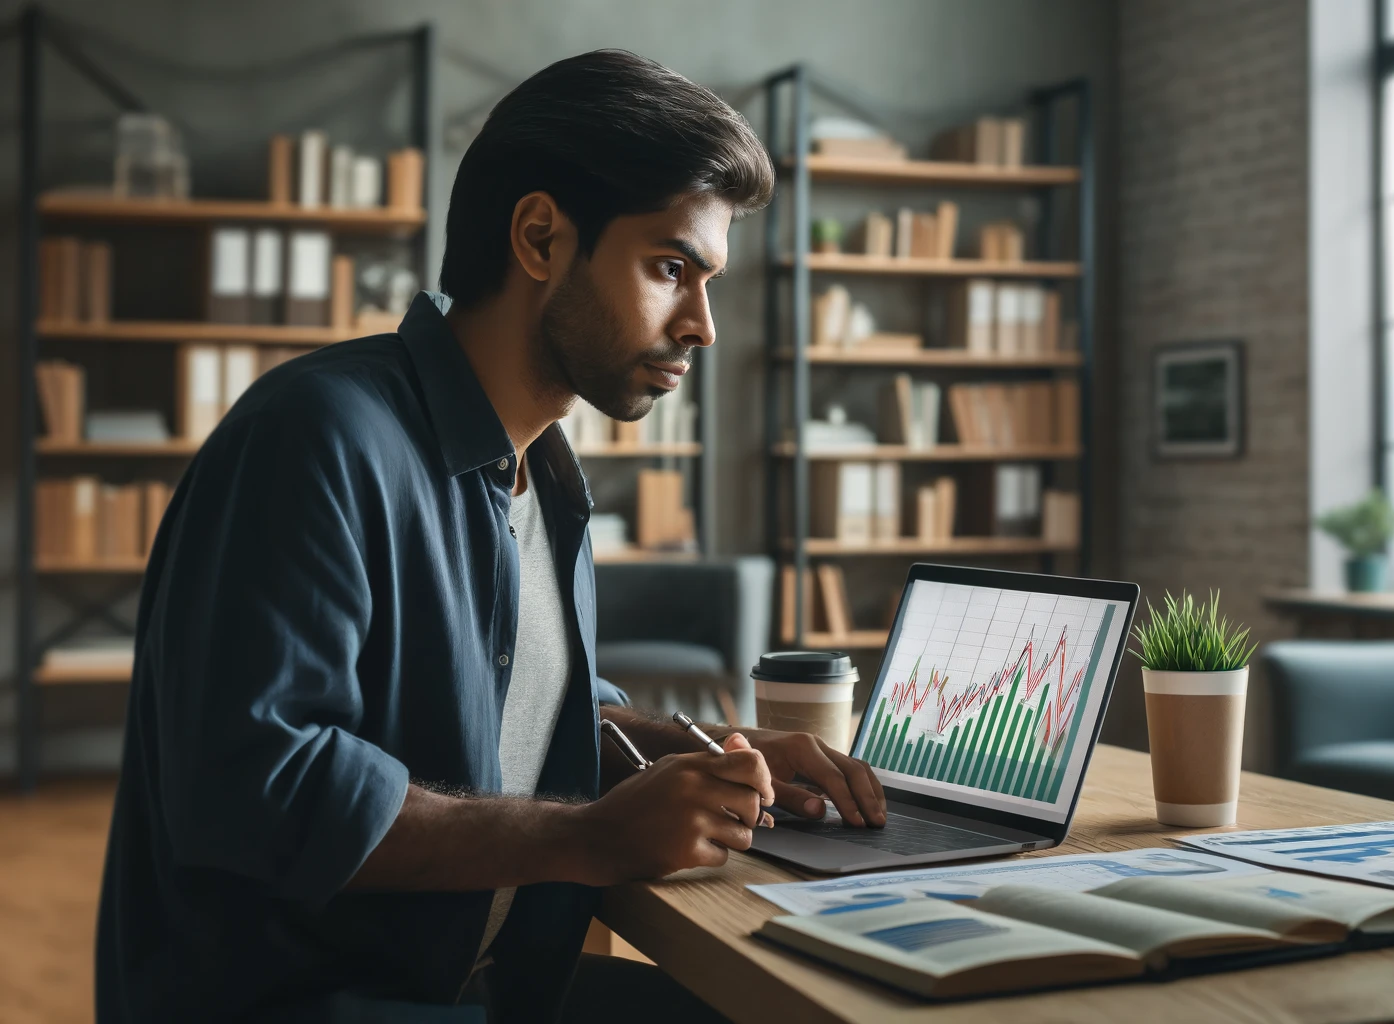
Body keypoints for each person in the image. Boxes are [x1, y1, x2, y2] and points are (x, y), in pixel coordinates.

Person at [96, 48, 886, 1023]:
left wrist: (711, 750)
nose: (702, 326)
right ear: (541, 236)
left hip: (485, 991)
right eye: (670, 267)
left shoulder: (545, 474)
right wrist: (589, 839)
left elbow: (529, 708)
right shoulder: (314, 436)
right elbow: (262, 790)